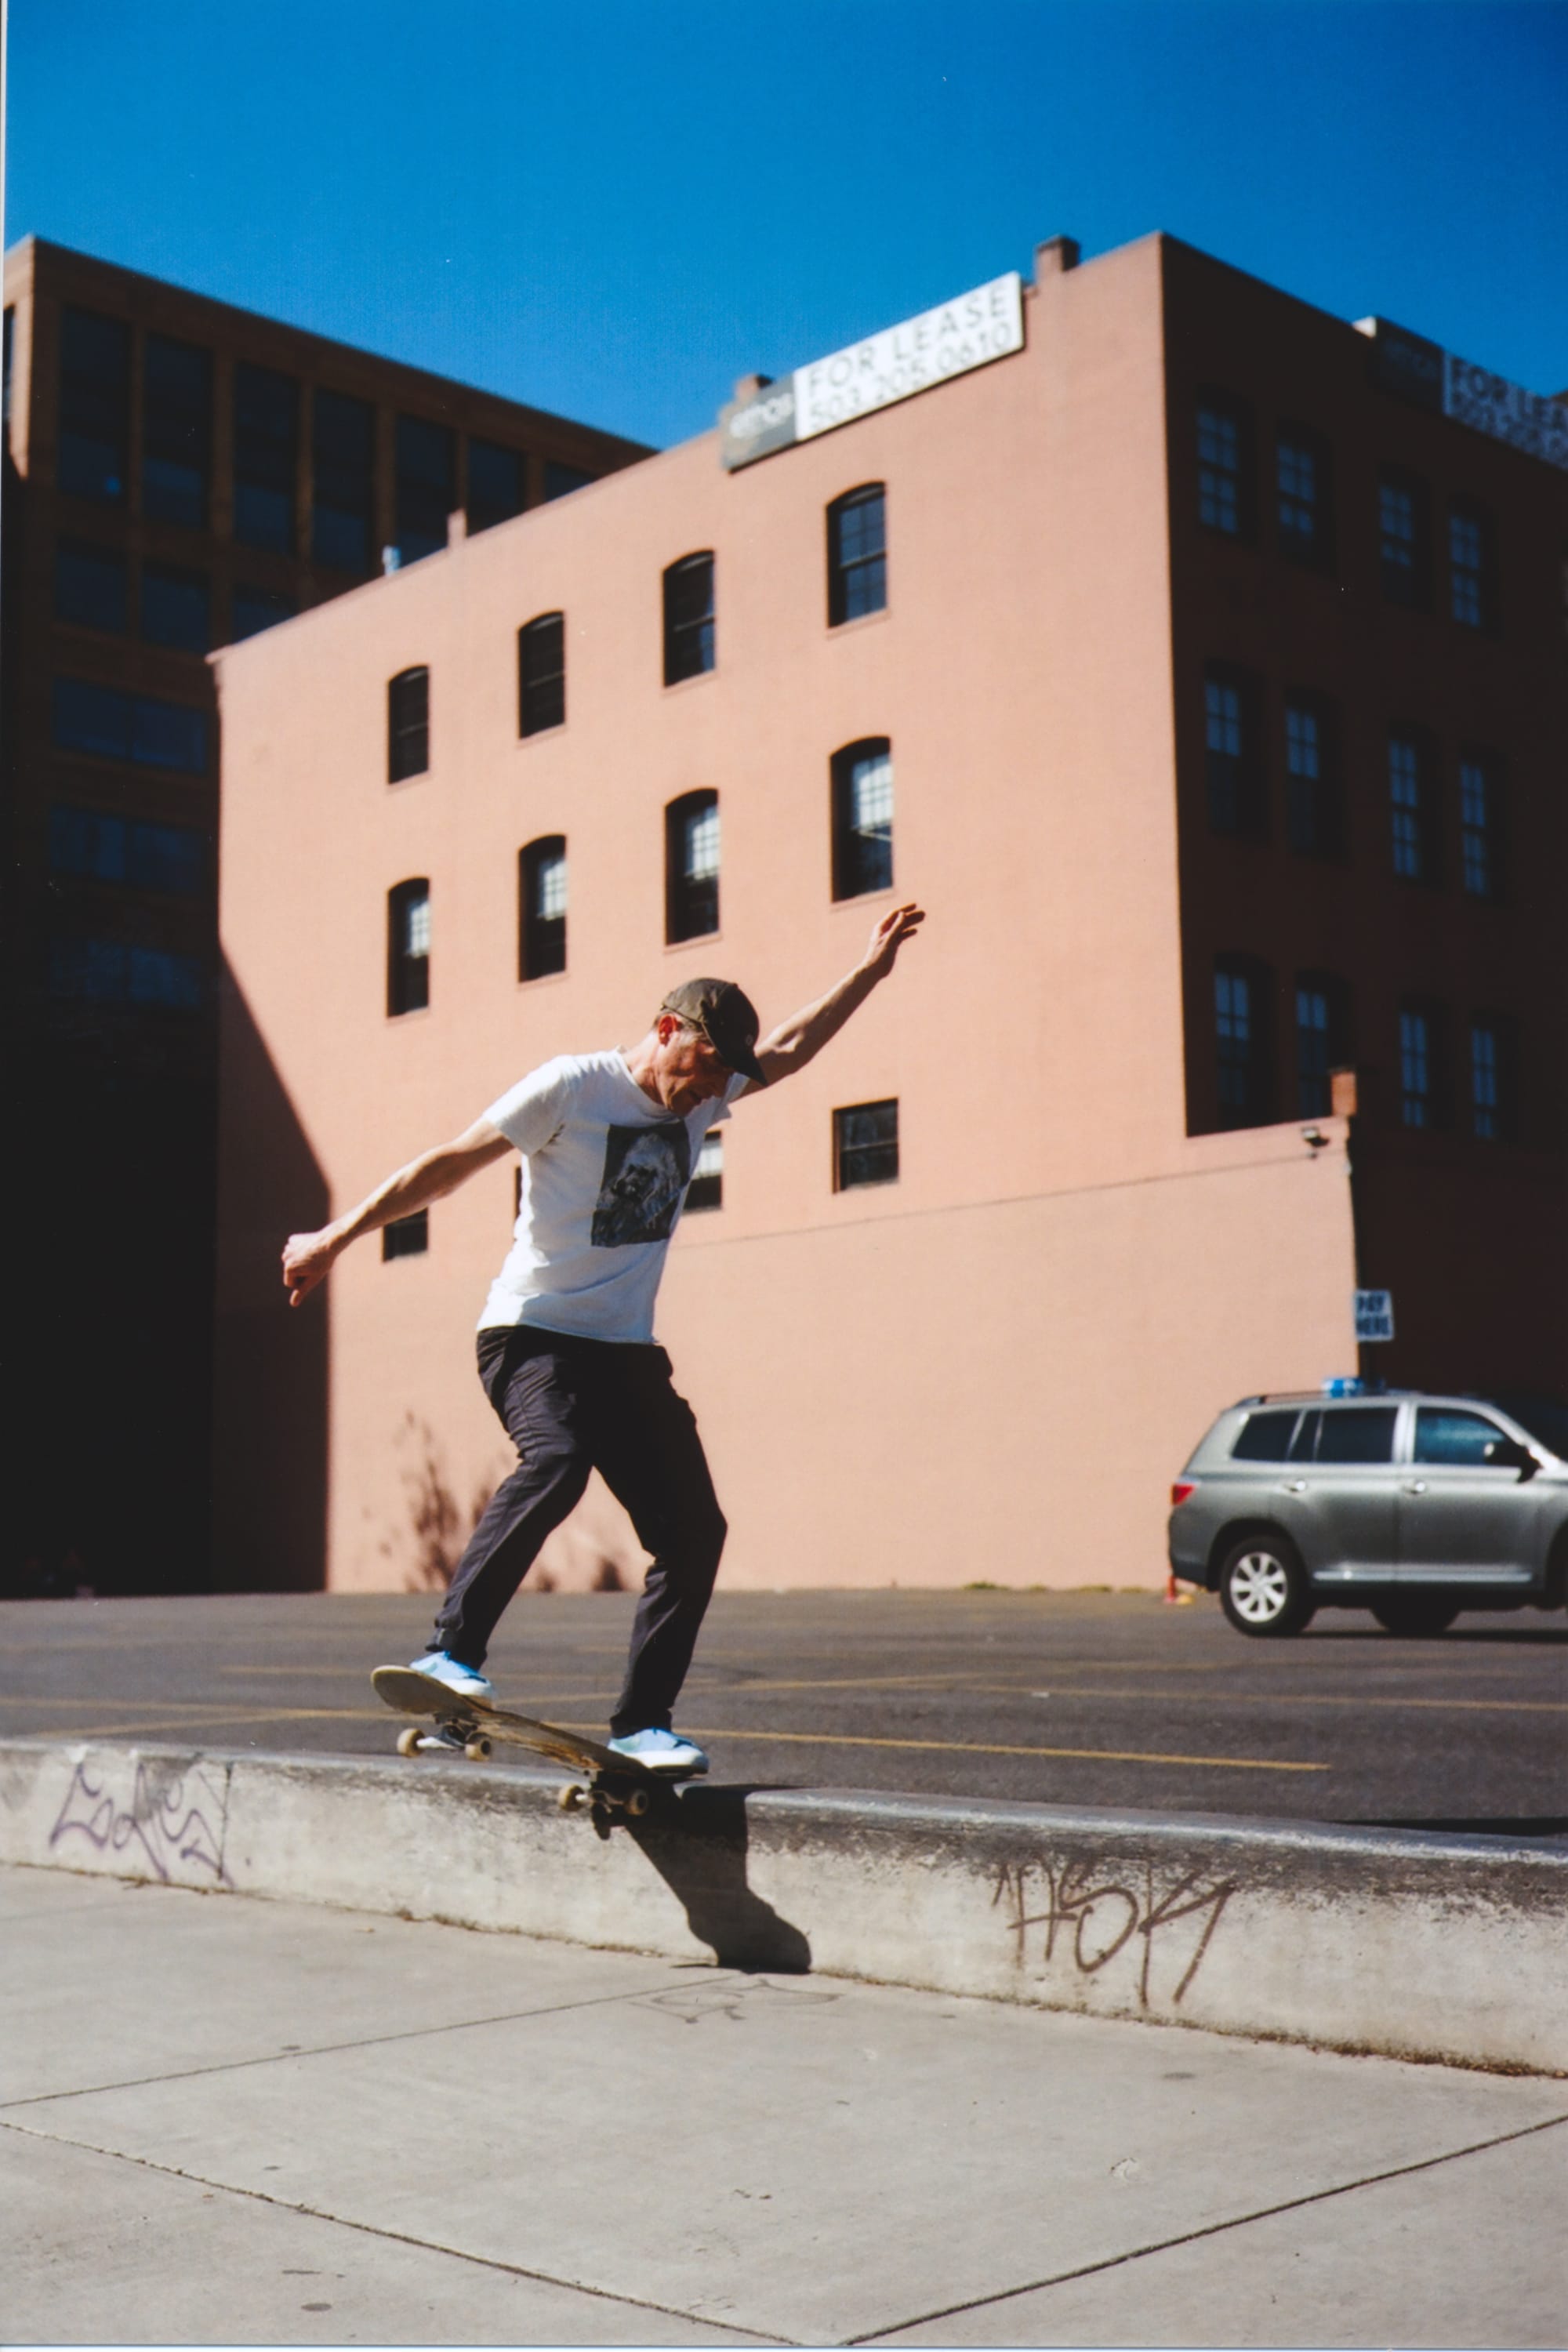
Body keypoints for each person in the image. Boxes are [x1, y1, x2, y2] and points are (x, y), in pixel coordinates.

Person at [281, 901, 925, 1773]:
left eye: (720, 1080)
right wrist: (335, 1239)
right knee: (558, 1458)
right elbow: (449, 1164)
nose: (708, 1093)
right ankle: (448, 1655)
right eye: (701, 1068)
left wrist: (867, 973)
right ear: (665, 1031)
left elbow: (790, 1046)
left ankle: (642, 1725)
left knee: (694, 1532)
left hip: (624, 1353)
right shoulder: (571, 1087)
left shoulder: (706, 1093)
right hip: (530, 1336)